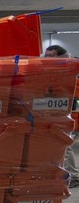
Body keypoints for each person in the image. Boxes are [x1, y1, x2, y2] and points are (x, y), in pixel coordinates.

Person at [44, 45, 79, 187]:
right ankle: (60, 172)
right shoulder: (50, 69)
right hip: (52, 109)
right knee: (55, 142)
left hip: (63, 110)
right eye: (47, 55)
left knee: (64, 142)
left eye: (51, 55)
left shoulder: (67, 68)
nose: (48, 58)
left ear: (60, 56)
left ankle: (74, 176)